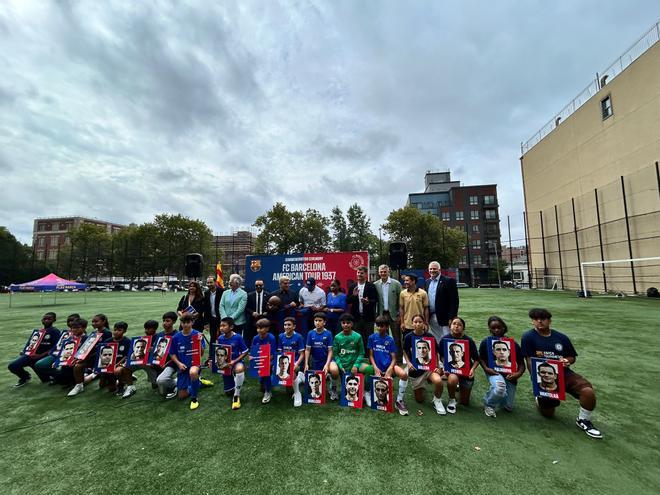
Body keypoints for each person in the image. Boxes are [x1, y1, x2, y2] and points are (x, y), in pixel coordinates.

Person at [521, 308, 602, 439]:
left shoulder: (561, 337)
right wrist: (535, 380)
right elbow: (529, 359)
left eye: (543, 318)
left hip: (564, 373)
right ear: (532, 322)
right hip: (544, 377)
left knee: (588, 391)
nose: (540, 321)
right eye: (536, 319)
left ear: (550, 320)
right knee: (549, 413)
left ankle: (583, 420)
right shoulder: (528, 337)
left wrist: (566, 361)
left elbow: (572, 357)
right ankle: (539, 399)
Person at [479, 316, 525, 417]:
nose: (496, 330)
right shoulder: (486, 342)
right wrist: (486, 368)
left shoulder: (513, 344)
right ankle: (489, 404)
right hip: (494, 372)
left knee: (508, 406)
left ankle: (499, 395)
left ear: (504, 327)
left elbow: (522, 364)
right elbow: (481, 358)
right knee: (500, 388)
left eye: (499, 327)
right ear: (490, 329)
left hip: (510, 376)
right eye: (493, 328)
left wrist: (517, 374)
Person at [365, 315, 410, 415]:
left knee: (403, 374)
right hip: (377, 366)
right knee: (367, 369)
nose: (380, 328)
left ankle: (399, 400)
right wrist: (376, 368)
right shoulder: (372, 338)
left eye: (382, 326)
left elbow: (394, 358)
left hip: (389, 366)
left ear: (387, 327)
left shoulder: (390, 340)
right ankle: (367, 392)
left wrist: (390, 368)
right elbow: (371, 356)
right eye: (378, 326)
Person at [402, 315, 445, 415]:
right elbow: (405, 350)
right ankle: (422, 386)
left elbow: (436, 352)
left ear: (424, 323)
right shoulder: (409, 337)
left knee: (438, 381)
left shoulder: (429, 336)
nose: (418, 324)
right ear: (412, 324)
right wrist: (408, 363)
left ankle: (437, 400)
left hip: (429, 369)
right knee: (420, 400)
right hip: (416, 371)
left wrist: (437, 366)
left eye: (420, 322)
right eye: (415, 322)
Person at [438, 317, 480, 414]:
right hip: (452, 371)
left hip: (466, 372)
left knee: (464, 402)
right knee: (452, 379)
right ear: (450, 326)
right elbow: (442, 356)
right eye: (454, 324)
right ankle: (452, 399)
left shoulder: (469, 340)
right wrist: (445, 365)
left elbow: (477, 359)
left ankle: (461, 388)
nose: (456, 326)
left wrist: (472, 370)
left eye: (460, 324)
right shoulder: (444, 339)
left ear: (463, 328)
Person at [8, 312, 61, 387]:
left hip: (43, 357)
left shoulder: (55, 331)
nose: (46, 320)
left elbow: (55, 348)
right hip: (31, 356)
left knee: (45, 380)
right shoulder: (38, 332)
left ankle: (56, 375)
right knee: (13, 366)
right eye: (44, 318)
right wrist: (25, 351)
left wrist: (40, 355)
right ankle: (25, 377)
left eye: (49, 319)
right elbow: (31, 343)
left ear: (54, 320)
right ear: (42, 320)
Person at [67, 314, 112, 397]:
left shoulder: (107, 333)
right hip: (92, 357)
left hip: (102, 359)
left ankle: (100, 375)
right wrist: (80, 358)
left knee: (103, 385)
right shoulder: (93, 333)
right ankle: (79, 386)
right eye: (92, 322)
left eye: (96, 321)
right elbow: (87, 348)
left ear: (103, 322)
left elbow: (105, 350)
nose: (93, 323)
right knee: (77, 366)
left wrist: (85, 358)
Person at [169, 314, 206, 410]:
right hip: (182, 367)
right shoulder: (176, 337)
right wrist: (179, 364)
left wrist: (200, 343)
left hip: (195, 364)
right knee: (181, 396)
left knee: (193, 372)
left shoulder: (197, 334)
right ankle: (198, 383)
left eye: (188, 322)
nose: (185, 325)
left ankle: (194, 398)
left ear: (192, 322)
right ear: (181, 323)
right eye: (183, 322)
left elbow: (201, 354)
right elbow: (172, 353)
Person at [35, 313, 79, 384]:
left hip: (69, 356)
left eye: (72, 321)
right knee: (39, 365)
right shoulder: (64, 333)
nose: (70, 323)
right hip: (56, 354)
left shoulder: (80, 333)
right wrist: (52, 351)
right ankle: (59, 376)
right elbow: (57, 345)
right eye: (69, 321)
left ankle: (64, 378)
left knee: (66, 368)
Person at [216, 316, 249, 410]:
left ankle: (236, 396)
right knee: (228, 392)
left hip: (236, 362)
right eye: (220, 326)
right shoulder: (220, 338)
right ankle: (236, 381)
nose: (221, 328)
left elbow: (245, 351)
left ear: (231, 327)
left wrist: (235, 361)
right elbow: (218, 352)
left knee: (239, 369)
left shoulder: (238, 337)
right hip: (225, 365)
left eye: (224, 325)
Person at [304, 312, 338, 400]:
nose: (317, 322)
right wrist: (306, 363)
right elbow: (307, 350)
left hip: (328, 360)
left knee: (334, 370)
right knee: (316, 385)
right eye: (316, 321)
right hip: (316, 361)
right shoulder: (310, 333)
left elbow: (330, 351)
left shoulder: (328, 333)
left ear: (324, 322)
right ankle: (326, 378)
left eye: (320, 320)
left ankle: (333, 388)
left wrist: (327, 365)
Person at [425, 261, 459, 342]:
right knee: (436, 339)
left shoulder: (448, 281)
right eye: (431, 269)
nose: (432, 271)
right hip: (431, 317)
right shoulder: (427, 282)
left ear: (439, 270)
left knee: (447, 339)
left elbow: (454, 301)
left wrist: (452, 317)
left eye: (434, 269)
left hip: (445, 317)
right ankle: (439, 354)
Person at [374, 265, 403, 362]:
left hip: (394, 315)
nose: (383, 273)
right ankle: (386, 359)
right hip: (382, 315)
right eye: (381, 272)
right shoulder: (376, 284)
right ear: (379, 273)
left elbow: (401, 300)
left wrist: (400, 314)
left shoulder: (396, 284)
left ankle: (398, 359)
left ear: (388, 272)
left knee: (396, 338)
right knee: (383, 338)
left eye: (385, 271)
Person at [277, 316, 306, 407]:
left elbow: (302, 354)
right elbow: (279, 352)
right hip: (285, 362)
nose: (287, 327)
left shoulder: (298, 337)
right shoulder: (281, 336)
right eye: (285, 325)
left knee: (291, 373)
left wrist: (296, 363)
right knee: (288, 388)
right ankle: (300, 378)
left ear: (294, 326)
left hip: (296, 362)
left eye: (289, 325)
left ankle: (297, 394)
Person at [347, 266, 378, 348]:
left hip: (368, 318)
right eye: (358, 273)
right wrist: (353, 295)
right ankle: (358, 355)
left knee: (368, 337)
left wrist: (368, 302)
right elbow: (348, 301)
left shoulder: (371, 286)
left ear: (366, 274)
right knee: (356, 337)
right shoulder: (352, 286)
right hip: (356, 317)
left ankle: (368, 356)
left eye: (361, 273)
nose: (359, 274)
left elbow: (375, 300)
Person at [250, 318, 277, 404]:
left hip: (270, 360)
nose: (259, 330)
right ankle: (265, 385)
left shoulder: (271, 338)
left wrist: (265, 362)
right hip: (260, 360)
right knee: (262, 380)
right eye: (257, 328)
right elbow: (253, 351)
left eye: (261, 328)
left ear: (267, 328)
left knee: (266, 373)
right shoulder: (255, 338)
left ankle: (268, 392)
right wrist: (252, 358)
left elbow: (272, 354)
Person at [154, 312, 179, 398]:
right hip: (159, 362)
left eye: (168, 321)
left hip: (172, 363)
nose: (165, 323)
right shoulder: (159, 335)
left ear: (174, 322)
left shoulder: (177, 335)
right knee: (162, 392)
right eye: (164, 321)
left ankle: (179, 382)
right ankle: (155, 381)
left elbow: (179, 354)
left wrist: (167, 363)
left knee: (161, 380)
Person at [399, 274, 430, 340]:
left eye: (407, 280)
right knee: (407, 345)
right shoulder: (402, 293)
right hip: (407, 325)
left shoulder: (423, 293)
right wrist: (402, 323)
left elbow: (426, 309)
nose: (405, 282)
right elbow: (401, 308)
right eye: (405, 280)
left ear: (413, 281)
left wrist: (426, 323)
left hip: (420, 324)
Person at [245, 279, 269, 344]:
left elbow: (269, 307)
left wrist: (267, 312)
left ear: (263, 286)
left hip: (263, 319)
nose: (258, 287)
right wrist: (252, 312)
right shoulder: (250, 295)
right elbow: (246, 308)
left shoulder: (268, 295)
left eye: (260, 285)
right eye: (256, 285)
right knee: (252, 336)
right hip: (253, 319)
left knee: (263, 335)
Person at [204, 275, 225, 345]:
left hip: (221, 318)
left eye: (211, 282)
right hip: (212, 319)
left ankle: (222, 352)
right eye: (208, 283)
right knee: (212, 337)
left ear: (215, 282)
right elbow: (206, 309)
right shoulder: (206, 293)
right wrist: (206, 323)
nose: (209, 284)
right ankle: (211, 354)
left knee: (222, 337)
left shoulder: (222, 291)